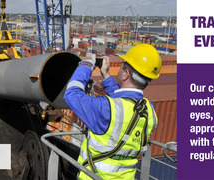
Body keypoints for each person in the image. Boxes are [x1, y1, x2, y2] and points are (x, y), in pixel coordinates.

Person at [64, 44, 161, 179]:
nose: (119, 69)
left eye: (122, 65)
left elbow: (72, 95)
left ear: (126, 73)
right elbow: (124, 101)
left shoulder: (105, 108)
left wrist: (86, 66)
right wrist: (106, 75)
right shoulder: (150, 111)